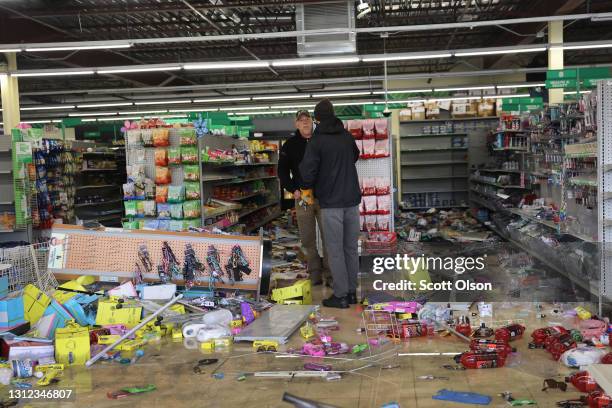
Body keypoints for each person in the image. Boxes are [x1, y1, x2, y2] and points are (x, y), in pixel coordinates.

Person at [299, 99, 361, 309]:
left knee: (335, 250)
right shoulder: (346, 136)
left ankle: (341, 295)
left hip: (331, 203)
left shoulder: (316, 141)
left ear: (317, 119)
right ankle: (352, 292)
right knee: (351, 249)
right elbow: (355, 156)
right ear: (333, 115)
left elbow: (307, 174)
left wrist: (310, 184)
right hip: (352, 201)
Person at [278, 110, 331, 286]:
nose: (305, 122)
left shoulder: (322, 139)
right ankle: (315, 275)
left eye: (307, 119)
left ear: (312, 122)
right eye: (301, 120)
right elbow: (282, 171)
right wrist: (293, 189)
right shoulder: (290, 145)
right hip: (303, 198)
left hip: (325, 197)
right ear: (296, 124)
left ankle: (331, 275)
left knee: (328, 238)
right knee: (308, 239)